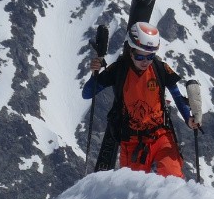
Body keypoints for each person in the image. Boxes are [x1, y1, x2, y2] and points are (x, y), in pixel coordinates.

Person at [83, 21, 196, 177]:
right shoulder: (118, 70)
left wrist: (188, 119)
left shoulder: (159, 68)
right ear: (130, 51)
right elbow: (87, 93)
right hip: (132, 141)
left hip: (161, 135)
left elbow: (176, 95)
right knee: (133, 190)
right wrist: (94, 73)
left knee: (173, 176)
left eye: (150, 56)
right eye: (140, 56)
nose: (145, 61)